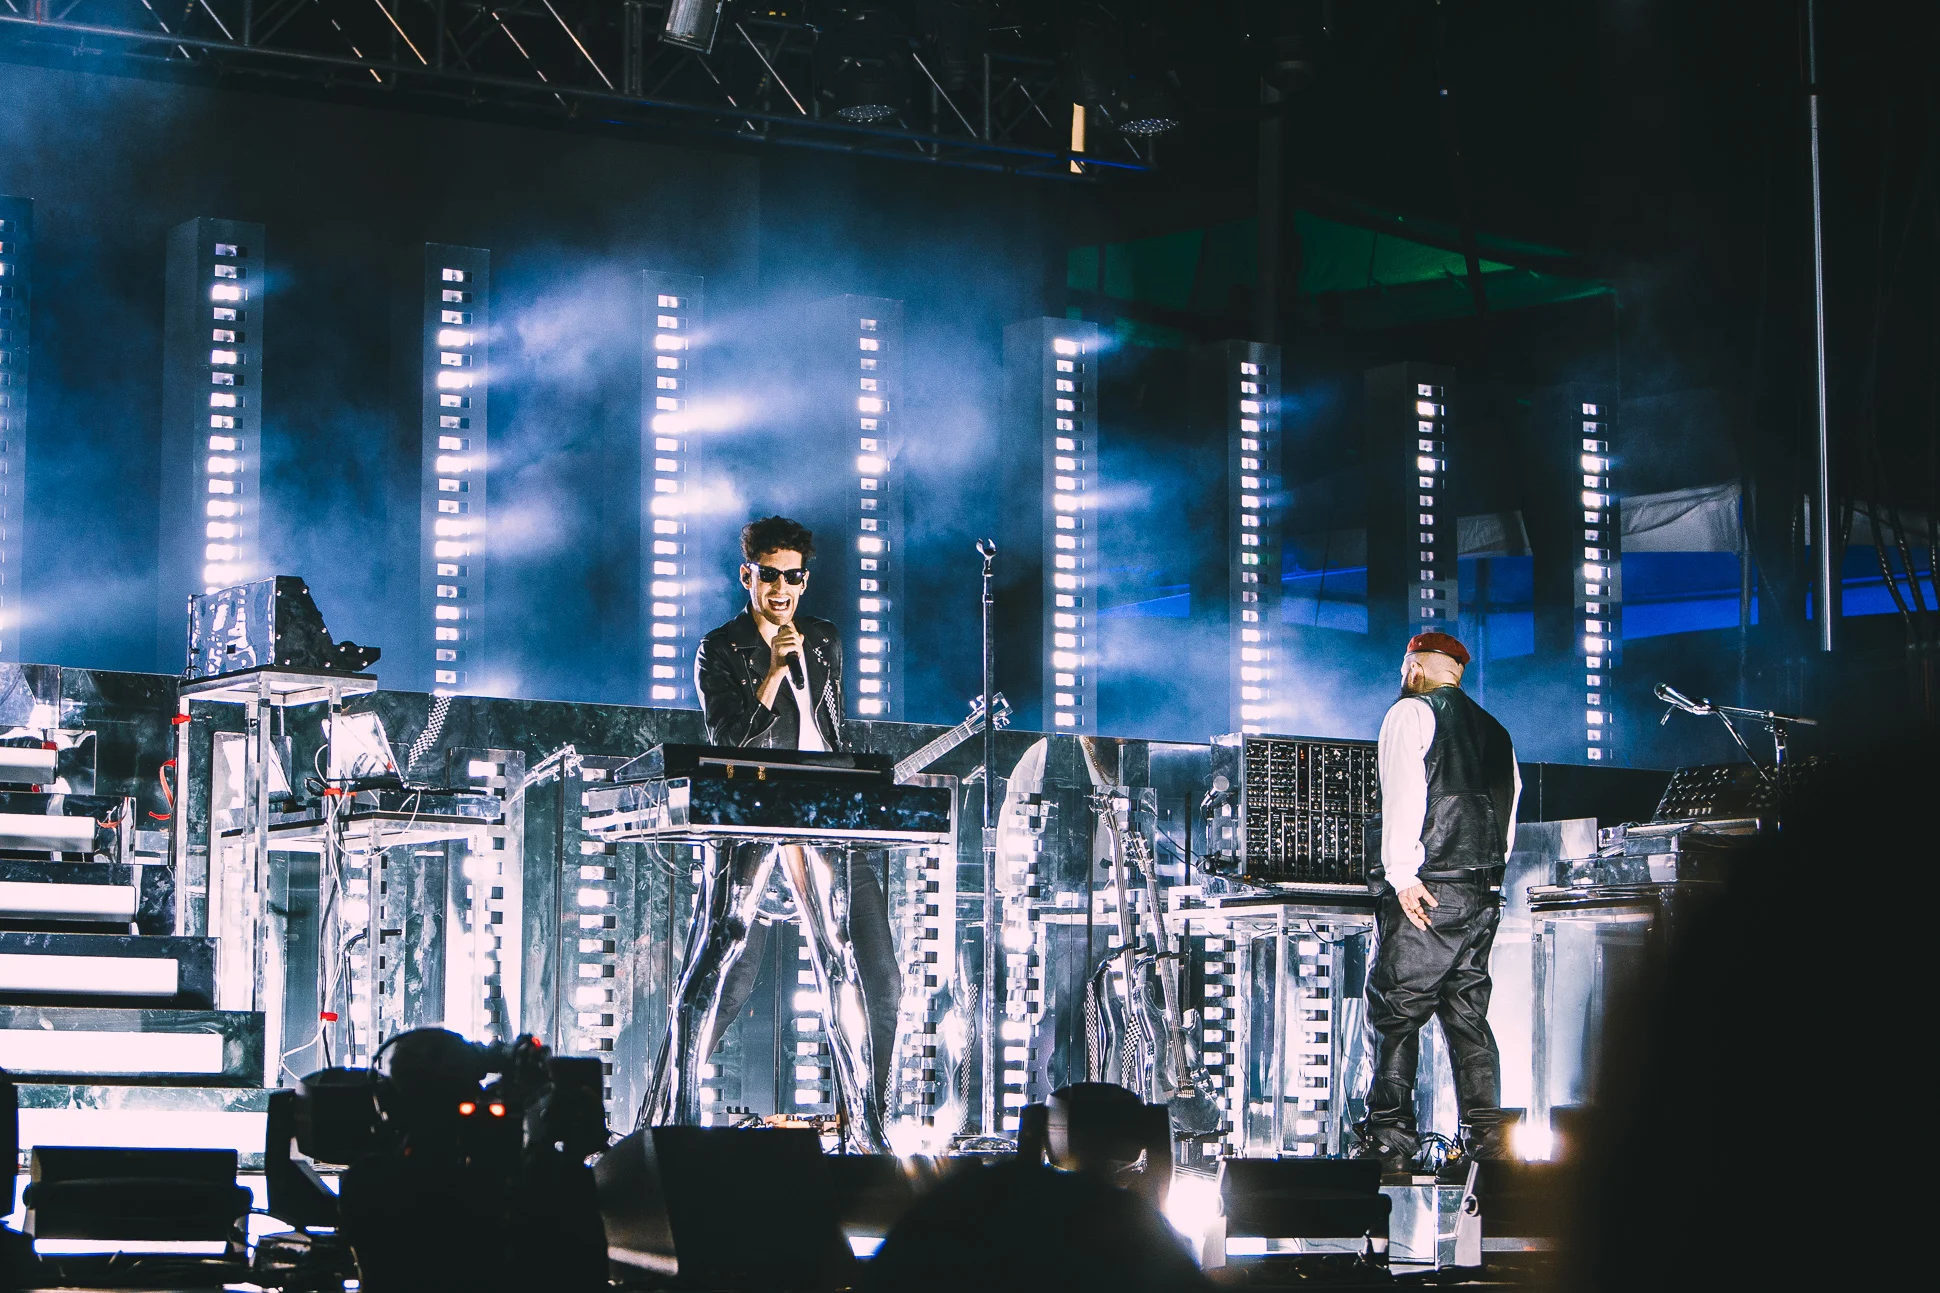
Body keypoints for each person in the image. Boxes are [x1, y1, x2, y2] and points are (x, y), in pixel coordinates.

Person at [642, 516, 899, 1153]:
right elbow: (728, 737)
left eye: (794, 577)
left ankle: (865, 1127)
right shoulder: (720, 647)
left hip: (818, 809)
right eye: (770, 575)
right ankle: (669, 1119)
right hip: (752, 808)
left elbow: (831, 730)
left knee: (842, 960)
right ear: (747, 575)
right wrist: (773, 672)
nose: (782, 588)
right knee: (719, 954)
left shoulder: (825, 639)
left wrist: (851, 782)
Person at [1360, 630, 1520, 1173]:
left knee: (1396, 1012)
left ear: (1417, 667)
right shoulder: (1498, 732)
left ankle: (1390, 1137)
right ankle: (1487, 1144)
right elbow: (1508, 817)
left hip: (1429, 886)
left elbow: (1406, 794)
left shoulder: (1409, 713)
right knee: (1468, 1016)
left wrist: (1402, 874)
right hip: (1482, 890)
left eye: (1405, 666)